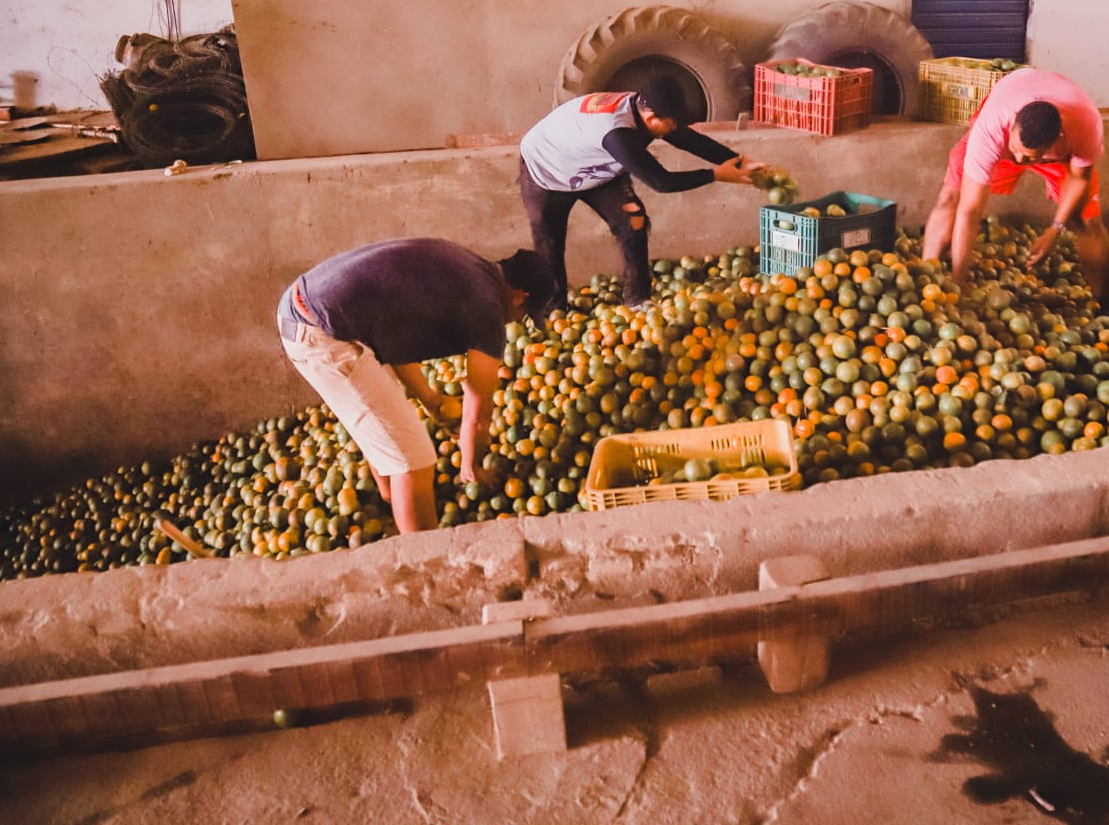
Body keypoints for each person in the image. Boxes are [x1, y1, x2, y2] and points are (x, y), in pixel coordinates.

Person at [277, 239, 553, 534]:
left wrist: (431, 400)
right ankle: (422, 560)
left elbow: (392, 338)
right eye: (525, 314)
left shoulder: (469, 267)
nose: (518, 321)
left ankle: (389, 502)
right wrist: (471, 468)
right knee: (414, 461)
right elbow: (479, 411)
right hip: (321, 329)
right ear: (520, 297)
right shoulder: (487, 307)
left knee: (389, 425)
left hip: (310, 306)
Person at [518, 74, 760, 312]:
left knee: (632, 221)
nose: (675, 127)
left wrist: (737, 161)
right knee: (549, 243)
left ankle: (637, 300)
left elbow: (687, 138)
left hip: (596, 165)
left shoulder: (646, 109)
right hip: (547, 170)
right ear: (652, 116)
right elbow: (662, 181)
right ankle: (554, 311)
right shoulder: (617, 132)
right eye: (671, 122)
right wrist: (716, 175)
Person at [922, 68, 1109, 299]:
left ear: (1058, 138)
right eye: (1017, 152)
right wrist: (959, 279)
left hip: (1052, 146)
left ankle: (1102, 302)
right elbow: (970, 209)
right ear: (1012, 123)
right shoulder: (992, 129)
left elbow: (1079, 178)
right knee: (951, 196)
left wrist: (1056, 229)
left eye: (1029, 157)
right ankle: (926, 279)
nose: (1020, 161)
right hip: (1004, 126)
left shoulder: (1084, 125)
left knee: (1087, 221)